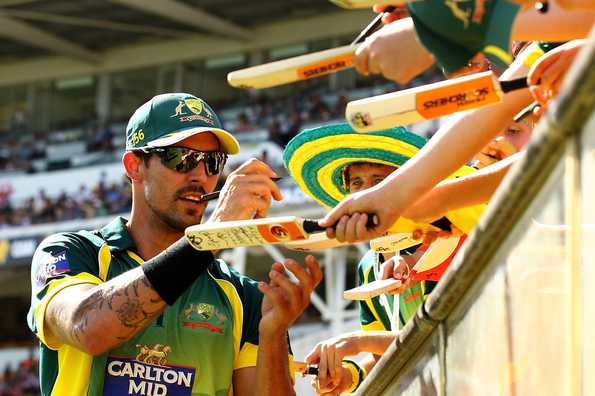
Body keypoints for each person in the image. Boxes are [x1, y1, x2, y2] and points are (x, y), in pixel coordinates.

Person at [27, 93, 322, 396]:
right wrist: (214, 233)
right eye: (181, 158)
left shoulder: (245, 296)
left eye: (212, 162)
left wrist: (273, 336)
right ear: (134, 166)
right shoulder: (74, 253)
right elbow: (88, 328)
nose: (200, 176)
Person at [283, 123, 462, 395]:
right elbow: (383, 354)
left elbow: (442, 336)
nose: (366, 194)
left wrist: (355, 342)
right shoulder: (369, 266)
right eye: (357, 183)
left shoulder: (443, 239)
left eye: (379, 182)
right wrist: (348, 377)